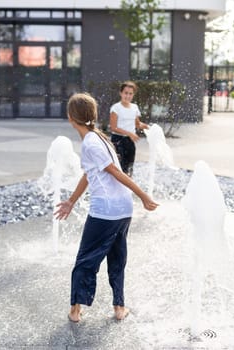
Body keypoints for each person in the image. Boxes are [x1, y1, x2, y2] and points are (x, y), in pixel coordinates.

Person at [55, 92, 159, 323]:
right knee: (117, 258)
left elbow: (115, 172)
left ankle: (75, 311)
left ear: (71, 118)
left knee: (85, 261)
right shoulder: (98, 138)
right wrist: (71, 201)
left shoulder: (91, 143)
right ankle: (119, 307)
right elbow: (89, 174)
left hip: (106, 212)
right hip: (122, 211)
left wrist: (143, 195)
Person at [109, 81, 149, 176]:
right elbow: (113, 127)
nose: (128, 96)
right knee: (119, 167)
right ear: (121, 93)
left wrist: (148, 127)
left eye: (130, 93)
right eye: (126, 93)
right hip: (118, 141)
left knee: (129, 166)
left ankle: (127, 187)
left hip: (130, 141)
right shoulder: (116, 108)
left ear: (133, 94)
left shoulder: (134, 107)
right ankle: (117, 188)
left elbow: (137, 124)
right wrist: (130, 133)